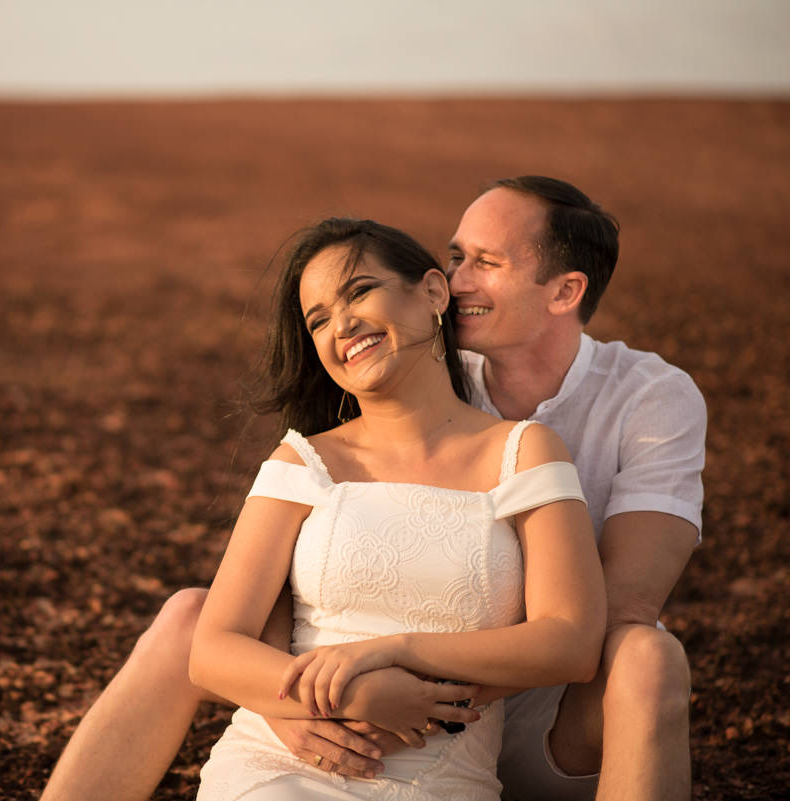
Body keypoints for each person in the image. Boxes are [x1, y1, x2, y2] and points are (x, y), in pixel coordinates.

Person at [40, 177, 707, 801]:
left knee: (648, 653)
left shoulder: (641, 400)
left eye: (485, 263)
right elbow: (291, 579)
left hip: (543, 711)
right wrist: (300, 701)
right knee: (192, 615)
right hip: (349, 711)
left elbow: (616, 609)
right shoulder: (397, 375)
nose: (458, 278)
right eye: (455, 257)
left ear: (564, 292)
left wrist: (410, 684)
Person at [188, 217, 606, 800]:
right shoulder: (303, 461)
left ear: (433, 292)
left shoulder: (525, 451)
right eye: (319, 320)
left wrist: (396, 651)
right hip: (279, 769)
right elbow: (212, 650)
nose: (342, 325)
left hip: (444, 782)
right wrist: (353, 694)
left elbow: (572, 641)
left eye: (359, 292)